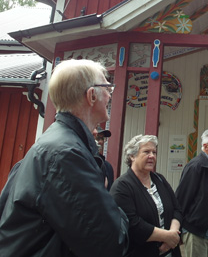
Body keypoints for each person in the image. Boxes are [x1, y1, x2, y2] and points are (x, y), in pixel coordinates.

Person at [0, 59, 128, 257]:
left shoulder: (50, 145)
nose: (110, 94)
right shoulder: (66, 155)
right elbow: (110, 241)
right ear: (91, 95)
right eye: (107, 87)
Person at [111, 135, 182, 257]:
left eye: (154, 152)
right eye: (146, 152)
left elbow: (177, 209)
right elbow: (132, 224)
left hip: (170, 251)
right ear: (132, 156)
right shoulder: (122, 187)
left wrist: (172, 235)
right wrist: (167, 237)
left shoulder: (160, 179)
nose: (152, 156)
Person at [175, 129, 208, 257]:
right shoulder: (196, 166)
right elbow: (181, 199)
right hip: (195, 230)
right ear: (206, 146)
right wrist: (178, 228)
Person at [93, 126, 115, 190]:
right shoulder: (85, 161)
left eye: (102, 139)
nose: (101, 142)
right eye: (98, 138)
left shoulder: (107, 166)